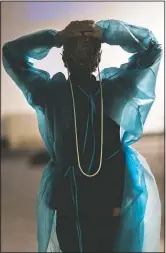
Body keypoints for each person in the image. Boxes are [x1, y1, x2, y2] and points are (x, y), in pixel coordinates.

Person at [2, 19, 162, 252]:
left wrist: (55, 38)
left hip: (81, 206)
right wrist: (108, 33)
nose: (82, 54)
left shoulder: (52, 96)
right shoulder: (115, 93)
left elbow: (11, 54)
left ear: (64, 58)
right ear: (98, 57)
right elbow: (152, 49)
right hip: (93, 206)